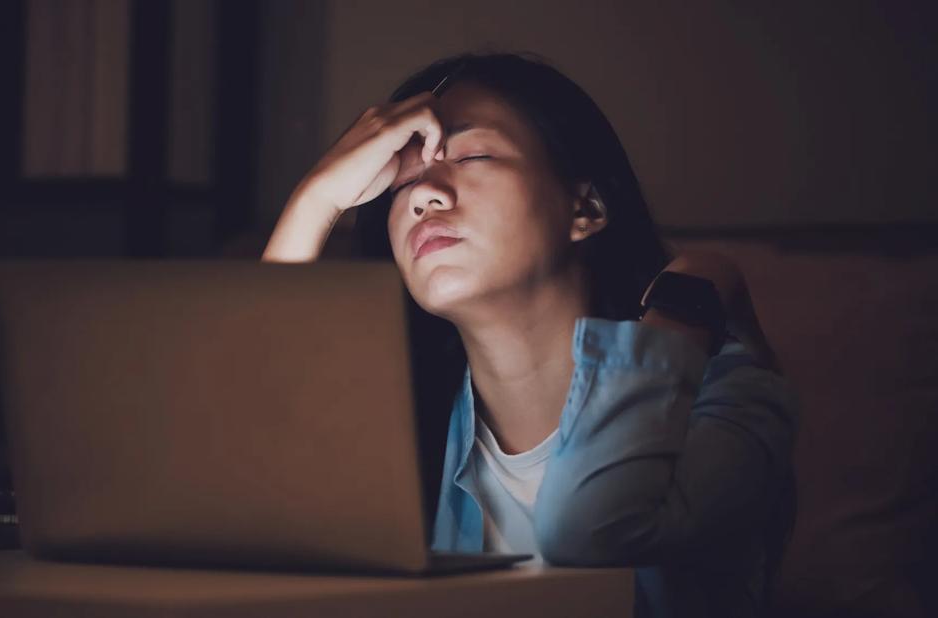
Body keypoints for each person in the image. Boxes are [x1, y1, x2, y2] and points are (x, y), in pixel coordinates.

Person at [262, 53, 797, 618]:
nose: (425, 195)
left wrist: (688, 298)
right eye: (405, 181)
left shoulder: (731, 402)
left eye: (472, 154)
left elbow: (592, 528)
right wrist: (318, 200)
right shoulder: (411, 425)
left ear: (585, 207)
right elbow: (241, 456)